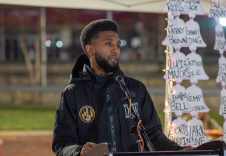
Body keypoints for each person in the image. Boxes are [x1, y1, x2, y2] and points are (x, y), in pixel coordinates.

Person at [52, 19, 185, 156]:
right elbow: (62, 145)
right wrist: (79, 151)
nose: (115, 50)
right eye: (109, 44)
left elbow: (152, 134)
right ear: (90, 50)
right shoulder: (72, 94)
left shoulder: (136, 89)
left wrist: (179, 150)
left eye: (118, 45)